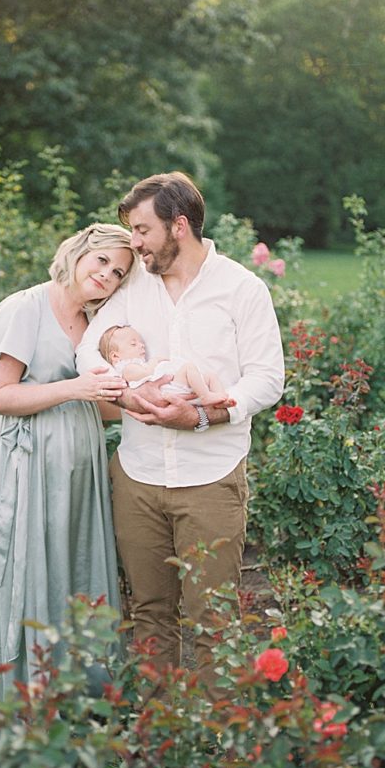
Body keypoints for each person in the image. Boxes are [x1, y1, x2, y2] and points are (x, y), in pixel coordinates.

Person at [76, 172, 284, 702]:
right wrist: (126, 397)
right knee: (149, 613)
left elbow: (266, 379)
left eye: (142, 230)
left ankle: (223, 750)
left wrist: (201, 417)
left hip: (210, 478)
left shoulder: (241, 288)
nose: (134, 243)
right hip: (138, 476)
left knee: (212, 618)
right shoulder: (132, 286)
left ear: (180, 226)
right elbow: (90, 349)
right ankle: (161, 739)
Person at [0, 223, 135, 729]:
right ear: (78, 253)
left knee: (75, 568)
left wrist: (152, 399)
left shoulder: (97, 323)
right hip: (26, 468)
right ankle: (14, 704)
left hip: (80, 470)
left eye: (118, 272)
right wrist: (77, 387)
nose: (107, 275)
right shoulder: (24, 309)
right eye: (101, 262)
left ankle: (75, 697)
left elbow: (98, 402)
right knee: (26, 574)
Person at [98, 323, 232, 407]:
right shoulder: (127, 368)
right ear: (115, 356)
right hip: (169, 390)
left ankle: (221, 398)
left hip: (172, 385)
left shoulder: (139, 363)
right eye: (133, 344)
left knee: (209, 376)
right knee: (188, 368)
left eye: (141, 342)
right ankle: (205, 396)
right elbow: (146, 374)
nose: (141, 345)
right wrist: (154, 361)